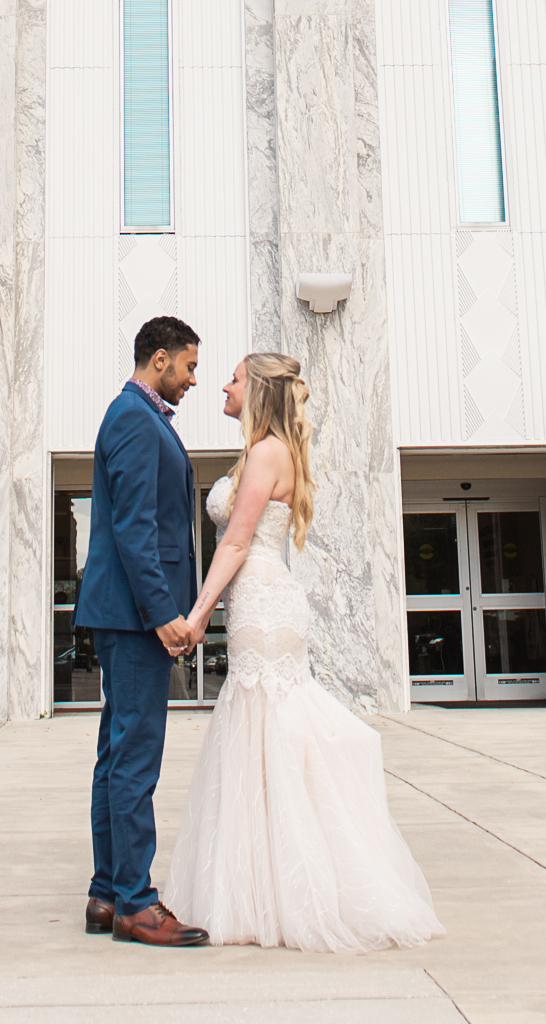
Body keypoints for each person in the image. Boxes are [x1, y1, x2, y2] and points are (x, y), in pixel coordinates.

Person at [160, 353, 443, 952]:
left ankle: (291, 888)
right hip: (260, 597)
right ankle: (264, 883)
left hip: (262, 601)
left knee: (268, 734)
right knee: (261, 740)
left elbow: (237, 540)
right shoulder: (264, 449)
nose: (223, 385)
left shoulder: (265, 453)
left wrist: (197, 615)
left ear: (257, 389)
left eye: (234, 378)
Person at [75, 316, 212, 947]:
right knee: (134, 759)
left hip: (125, 614)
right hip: (134, 618)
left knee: (116, 754)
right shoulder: (133, 416)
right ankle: (135, 901)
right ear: (158, 360)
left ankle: (108, 894)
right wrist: (164, 614)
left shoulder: (142, 416)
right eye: (186, 366)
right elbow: (135, 528)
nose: (191, 379)